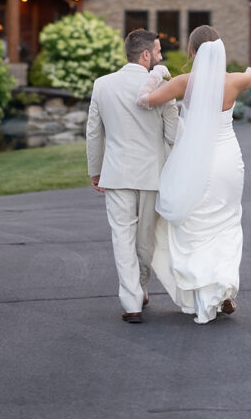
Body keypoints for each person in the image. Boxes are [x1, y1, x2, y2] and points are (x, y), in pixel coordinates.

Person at [137, 24, 251, 324]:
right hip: (227, 161)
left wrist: (156, 75)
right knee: (226, 224)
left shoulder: (184, 82)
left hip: (195, 161)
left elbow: (144, 101)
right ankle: (224, 290)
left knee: (195, 227)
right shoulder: (235, 81)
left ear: (194, 52)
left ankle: (204, 294)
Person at [86, 29, 179, 324]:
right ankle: (140, 289)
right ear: (146, 55)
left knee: (122, 238)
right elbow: (173, 133)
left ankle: (132, 301)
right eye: (159, 50)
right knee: (144, 240)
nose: (161, 56)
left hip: (116, 173)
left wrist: (95, 170)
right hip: (152, 174)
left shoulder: (102, 85)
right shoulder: (162, 87)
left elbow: (93, 133)